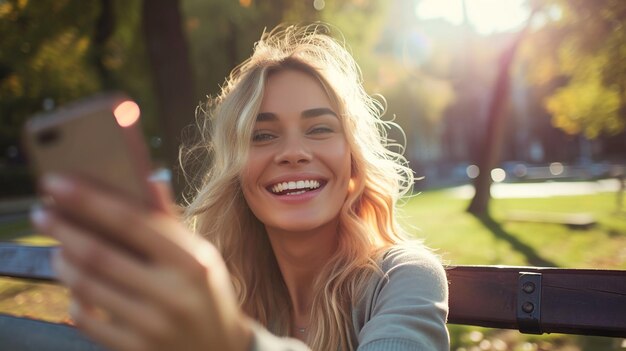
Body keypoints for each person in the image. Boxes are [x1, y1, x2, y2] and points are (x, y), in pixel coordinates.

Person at [30, 24, 449, 351]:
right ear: (236, 174)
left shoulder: (404, 276)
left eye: (320, 128)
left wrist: (231, 341)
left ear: (354, 163)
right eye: (262, 136)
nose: (293, 152)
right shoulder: (221, 290)